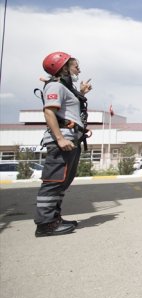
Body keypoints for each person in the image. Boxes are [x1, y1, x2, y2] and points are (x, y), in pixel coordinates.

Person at [34, 51, 92, 237]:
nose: (78, 69)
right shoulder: (54, 86)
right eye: (75, 65)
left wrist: (81, 93)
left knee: (62, 181)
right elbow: (49, 112)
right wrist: (59, 138)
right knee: (54, 181)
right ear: (63, 67)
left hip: (71, 138)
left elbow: (69, 110)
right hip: (62, 139)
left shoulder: (65, 88)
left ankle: (54, 218)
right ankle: (46, 224)